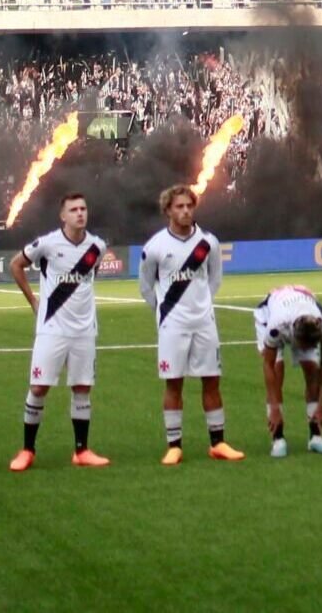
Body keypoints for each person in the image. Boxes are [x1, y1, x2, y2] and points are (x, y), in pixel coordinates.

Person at [139, 185, 244, 465]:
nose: (185, 211)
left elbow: (215, 280)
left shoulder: (208, 242)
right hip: (172, 325)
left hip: (204, 323)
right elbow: (146, 287)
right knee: (174, 383)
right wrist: (165, 311)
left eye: (189, 206)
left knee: (211, 380)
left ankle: (218, 443)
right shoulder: (155, 247)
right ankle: (174, 445)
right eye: (179, 207)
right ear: (168, 211)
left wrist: (201, 305)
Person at [9, 192, 110, 471]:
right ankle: (27, 450)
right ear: (62, 215)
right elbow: (16, 264)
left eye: (83, 208)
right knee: (39, 387)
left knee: (82, 388)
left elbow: (90, 276)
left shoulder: (97, 247)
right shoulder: (48, 244)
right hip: (52, 328)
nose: (80, 213)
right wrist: (32, 299)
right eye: (74, 209)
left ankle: (82, 450)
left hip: (84, 330)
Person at [253, 284, 322, 457]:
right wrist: (274, 408)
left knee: (312, 369)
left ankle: (316, 437)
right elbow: (268, 365)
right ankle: (278, 438)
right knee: (277, 369)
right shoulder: (277, 326)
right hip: (268, 313)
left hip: (302, 308)